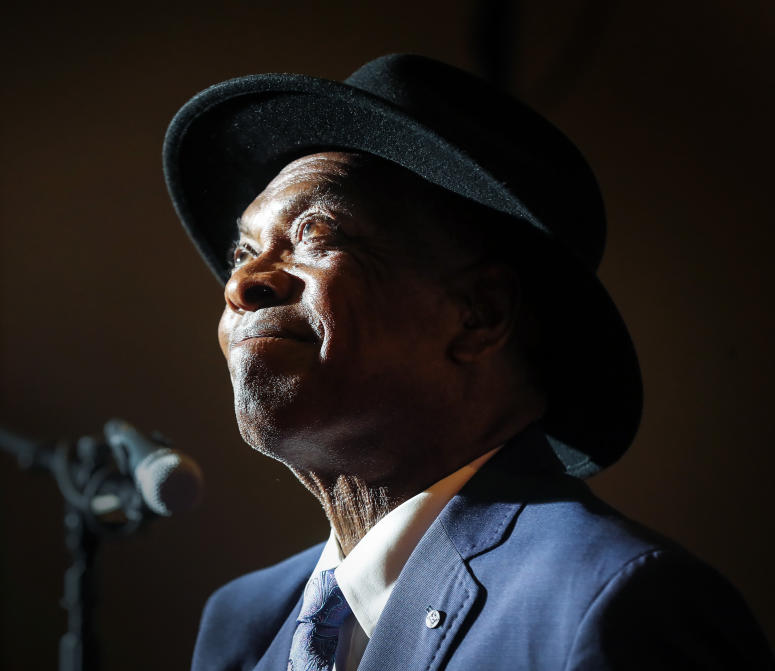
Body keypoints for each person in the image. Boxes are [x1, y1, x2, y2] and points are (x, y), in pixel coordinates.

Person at [162, 54, 773, 670]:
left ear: (479, 314)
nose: (242, 283)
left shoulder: (618, 604)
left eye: (315, 235)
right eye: (245, 249)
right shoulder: (241, 623)